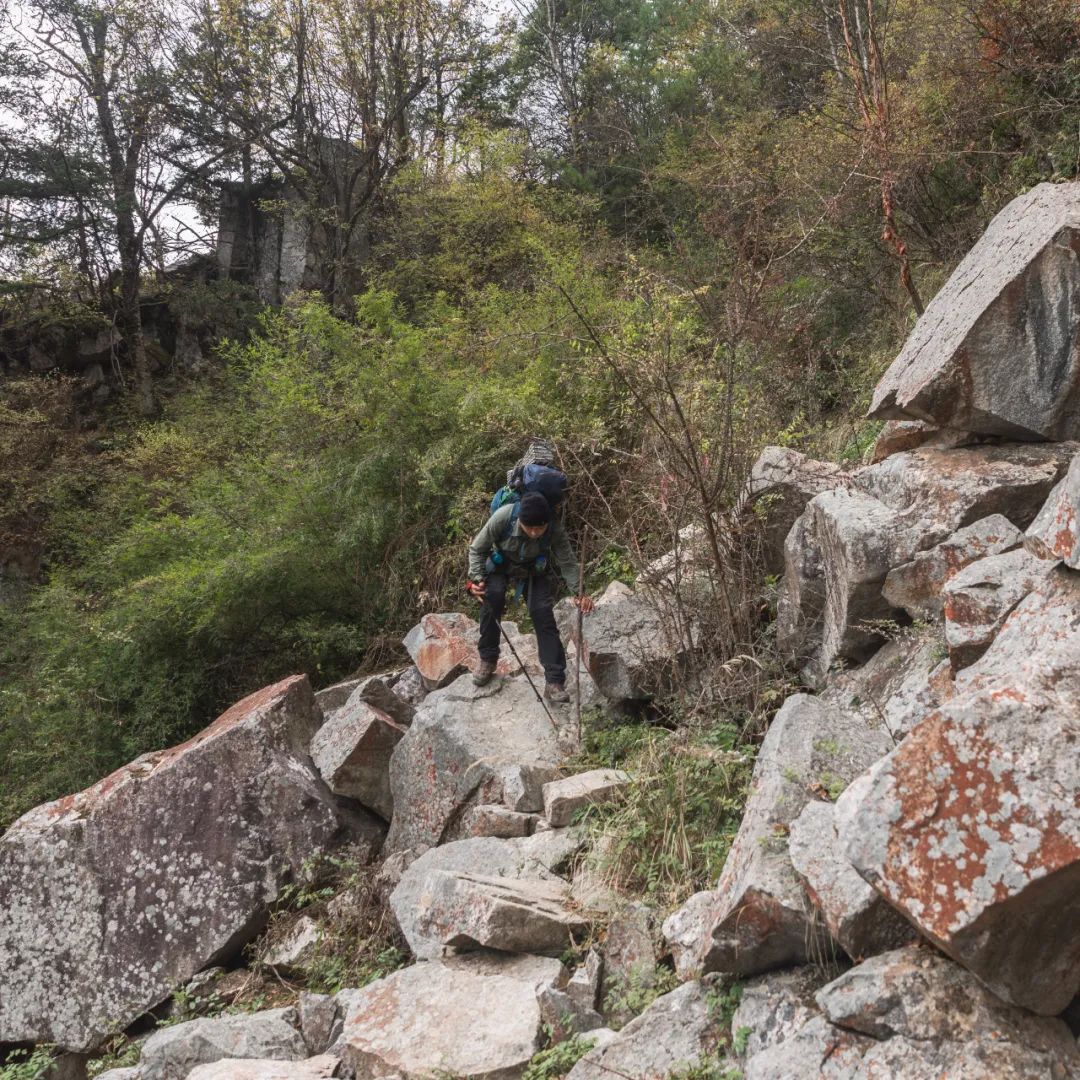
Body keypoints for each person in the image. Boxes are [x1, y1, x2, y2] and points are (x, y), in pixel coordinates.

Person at [467, 491, 594, 703]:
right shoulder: (504, 517)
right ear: (520, 520)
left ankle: (554, 681)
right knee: (492, 598)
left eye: (539, 528)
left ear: (547, 523)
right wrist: (477, 578)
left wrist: (579, 592)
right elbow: (477, 549)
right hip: (500, 564)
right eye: (529, 527)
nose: (534, 533)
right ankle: (487, 660)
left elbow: (567, 561)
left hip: (534, 570)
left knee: (543, 614)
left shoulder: (553, 527)